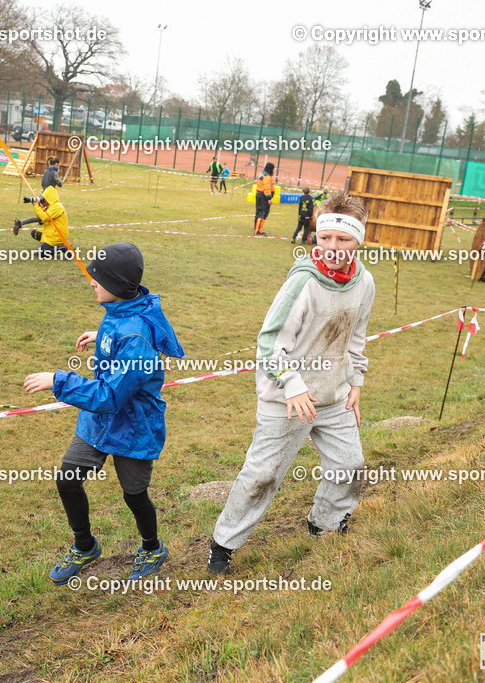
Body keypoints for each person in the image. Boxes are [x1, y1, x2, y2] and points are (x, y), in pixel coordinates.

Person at [208, 193, 376, 575]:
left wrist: (356, 381)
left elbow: (356, 337)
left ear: (359, 240)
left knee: (349, 464)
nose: (332, 247)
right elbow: (270, 344)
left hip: (333, 396)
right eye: (325, 237)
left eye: (343, 239)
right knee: (263, 474)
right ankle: (223, 544)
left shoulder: (364, 282)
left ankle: (325, 523)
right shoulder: (302, 282)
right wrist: (292, 384)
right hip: (286, 397)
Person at [23, 243, 185, 585]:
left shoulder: (136, 339)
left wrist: (58, 380)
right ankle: (85, 546)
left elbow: (110, 395)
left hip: (133, 425)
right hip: (99, 421)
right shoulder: (121, 311)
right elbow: (125, 331)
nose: (91, 282)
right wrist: (103, 336)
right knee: (68, 479)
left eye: (98, 278)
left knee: (134, 494)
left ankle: (152, 547)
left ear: (117, 285)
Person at [12, 185, 70, 257]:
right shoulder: (50, 206)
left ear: (49, 198)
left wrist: (36, 205)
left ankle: (62, 248)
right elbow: (39, 217)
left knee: (41, 253)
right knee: (35, 233)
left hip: (58, 235)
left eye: (44, 199)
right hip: (51, 233)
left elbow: (44, 217)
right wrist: (37, 204)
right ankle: (50, 246)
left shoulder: (57, 207)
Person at [253, 162, 275, 236]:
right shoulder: (267, 176)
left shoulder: (261, 174)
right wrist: (269, 198)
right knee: (263, 213)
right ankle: (258, 231)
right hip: (263, 196)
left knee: (258, 212)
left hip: (259, 194)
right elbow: (267, 187)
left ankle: (256, 228)